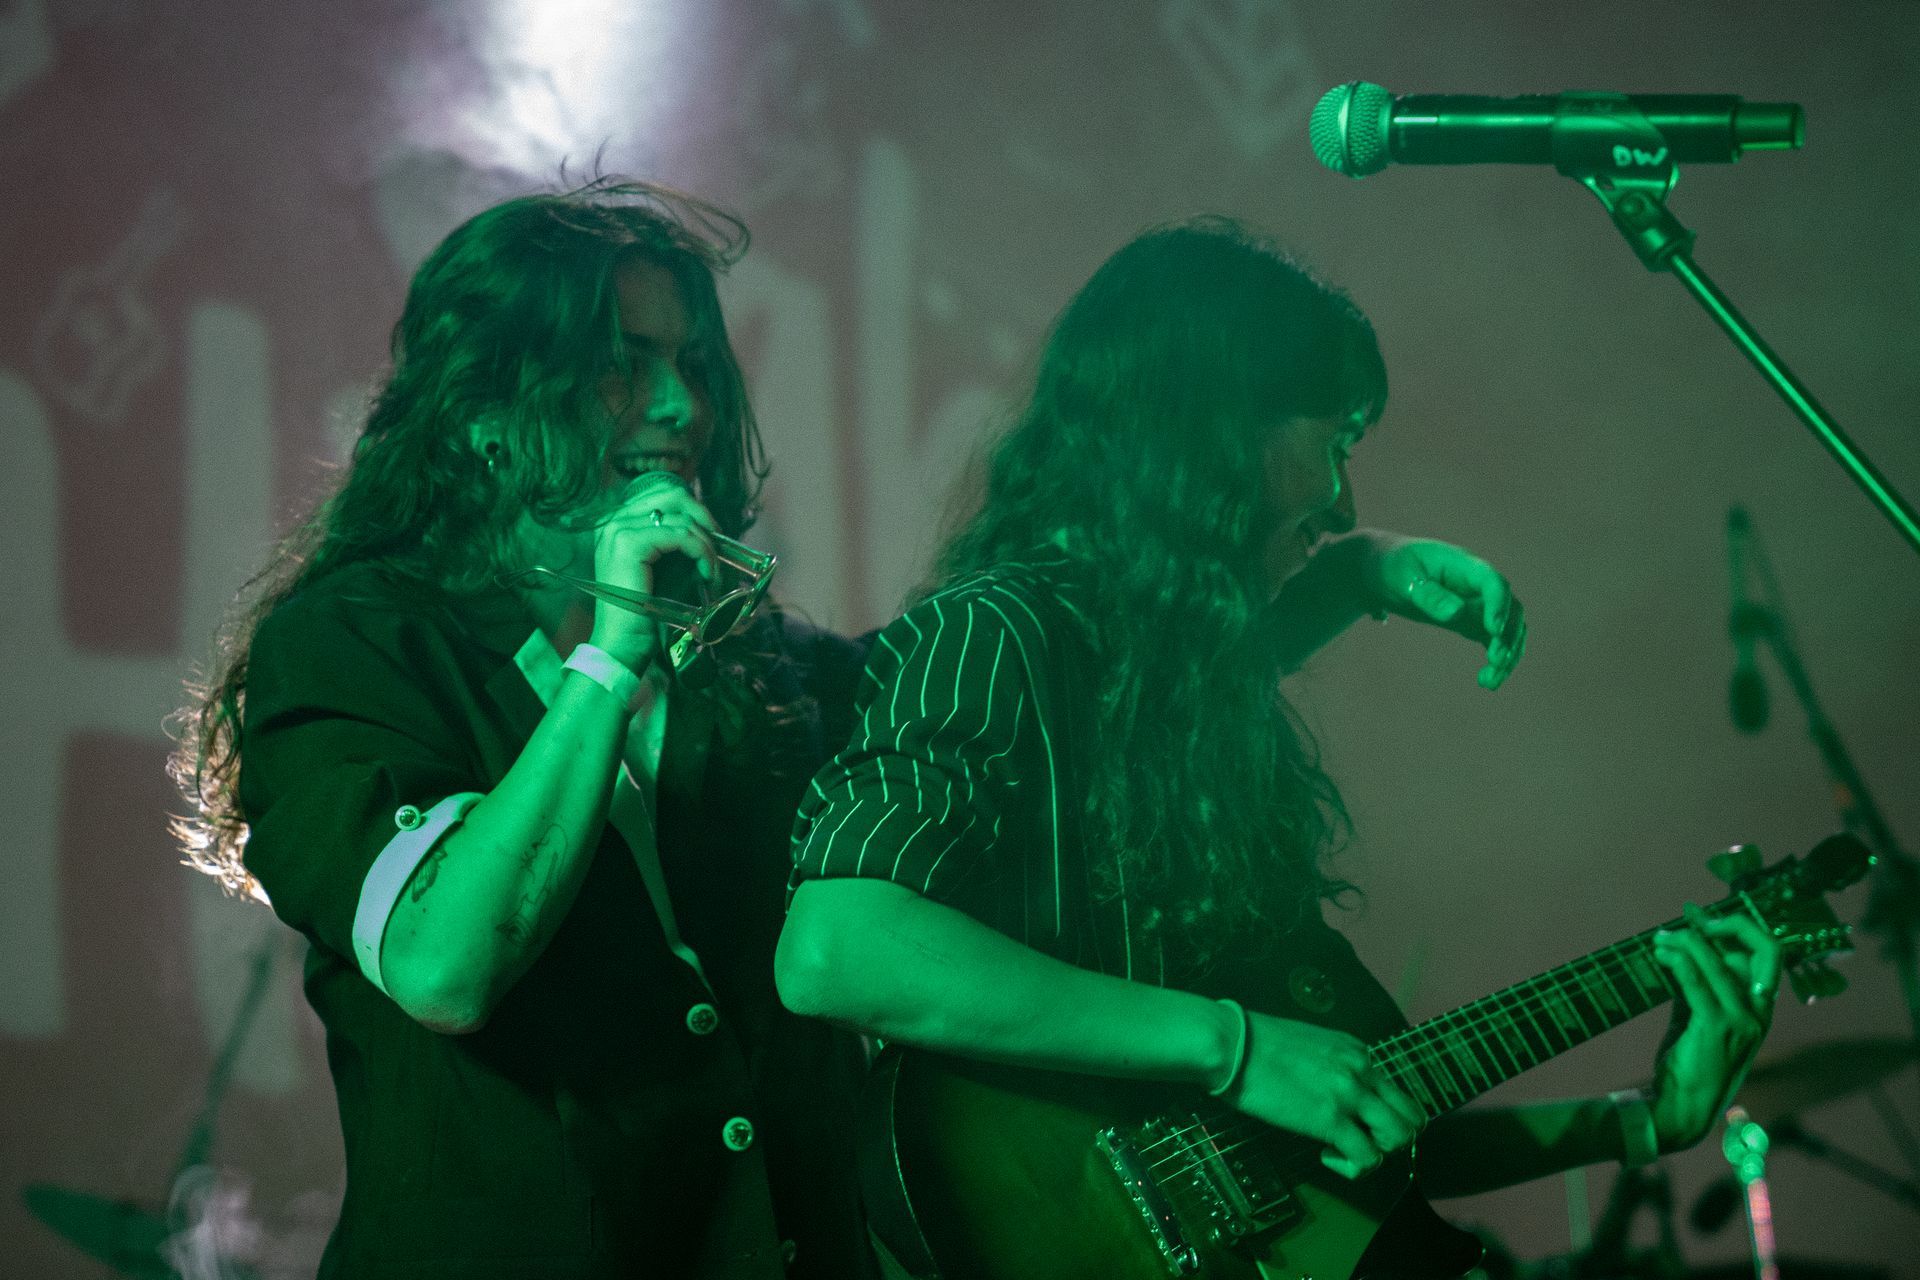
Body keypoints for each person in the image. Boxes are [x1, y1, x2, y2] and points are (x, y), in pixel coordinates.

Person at [775, 217, 1779, 1272]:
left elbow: (1336, 1155)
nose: (1344, 499)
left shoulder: (1179, 713)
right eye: (1336, 443)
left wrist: (1641, 1120)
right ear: (1216, 431)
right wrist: (1237, 1046)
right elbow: (837, 946)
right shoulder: (993, 633)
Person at [171, 178, 876, 1279]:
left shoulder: (760, 665)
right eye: (622, 364)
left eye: (693, 364)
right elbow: (445, 963)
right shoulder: (356, 643)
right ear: (485, 412)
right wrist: (608, 658)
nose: (681, 406)